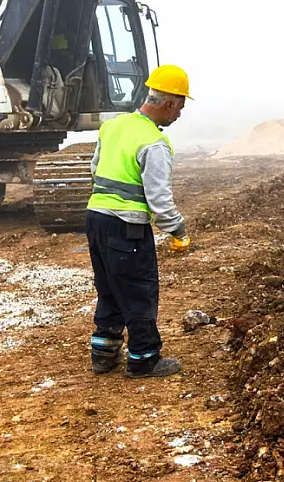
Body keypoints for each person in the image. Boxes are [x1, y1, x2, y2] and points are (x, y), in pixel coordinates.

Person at [84, 64, 192, 378]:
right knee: (138, 290)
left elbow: (95, 169)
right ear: (169, 103)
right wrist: (177, 229)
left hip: (96, 219)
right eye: (180, 107)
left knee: (108, 288)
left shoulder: (114, 126)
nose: (180, 115)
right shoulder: (154, 142)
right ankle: (144, 359)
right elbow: (158, 198)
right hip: (126, 227)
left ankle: (103, 353)